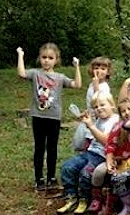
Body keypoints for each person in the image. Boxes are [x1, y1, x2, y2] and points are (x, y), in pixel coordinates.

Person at [16, 44, 81, 191]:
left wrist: (77, 67)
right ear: (40, 58)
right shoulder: (35, 74)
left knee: (52, 148)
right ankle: (38, 178)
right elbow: (22, 73)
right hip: (38, 116)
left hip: (54, 118)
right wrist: (20, 55)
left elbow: (77, 85)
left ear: (56, 60)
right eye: (44, 57)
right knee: (39, 148)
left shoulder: (60, 77)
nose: (46, 60)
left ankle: (51, 177)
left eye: (50, 58)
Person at [57, 92, 119, 215]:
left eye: (102, 105)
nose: (99, 108)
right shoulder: (99, 120)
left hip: (104, 156)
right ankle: (71, 196)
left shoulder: (115, 120)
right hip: (90, 152)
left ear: (112, 105)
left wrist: (91, 126)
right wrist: (87, 122)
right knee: (67, 167)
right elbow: (89, 139)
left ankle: (84, 198)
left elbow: (107, 141)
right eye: (95, 107)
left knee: (86, 172)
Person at [88, 97, 130, 215]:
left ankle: (126, 204)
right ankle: (99, 199)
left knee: (122, 175)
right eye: (123, 111)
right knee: (99, 172)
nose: (127, 113)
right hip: (117, 160)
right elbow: (110, 146)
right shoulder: (118, 127)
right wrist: (109, 162)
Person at [73, 56, 114, 152]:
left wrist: (96, 86)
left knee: (93, 144)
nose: (99, 71)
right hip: (91, 118)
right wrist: (86, 112)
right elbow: (91, 103)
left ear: (108, 72)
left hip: (99, 122)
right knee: (84, 145)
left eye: (103, 69)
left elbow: (99, 101)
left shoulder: (104, 87)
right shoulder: (91, 85)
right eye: (96, 68)